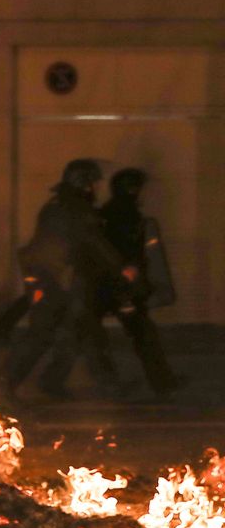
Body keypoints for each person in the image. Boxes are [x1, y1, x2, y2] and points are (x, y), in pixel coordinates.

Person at [1, 158, 123, 400]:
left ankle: (51, 381)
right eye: (93, 183)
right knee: (44, 333)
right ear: (84, 183)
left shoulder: (59, 204)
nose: (96, 188)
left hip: (53, 276)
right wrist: (121, 267)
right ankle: (3, 384)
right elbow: (93, 241)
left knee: (73, 330)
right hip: (55, 277)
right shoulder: (75, 208)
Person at [92, 167, 182, 397]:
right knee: (143, 335)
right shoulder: (126, 214)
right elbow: (124, 252)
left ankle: (159, 381)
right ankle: (162, 383)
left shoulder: (110, 212)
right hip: (121, 286)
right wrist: (128, 281)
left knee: (89, 334)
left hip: (111, 285)